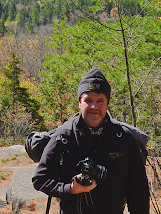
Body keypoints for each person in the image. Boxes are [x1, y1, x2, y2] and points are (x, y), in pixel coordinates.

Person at [32, 67, 149, 214]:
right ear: (79, 103)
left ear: (107, 104)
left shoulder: (124, 138)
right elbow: (40, 180)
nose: (94, 106)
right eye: (88, 100)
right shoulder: (64, 136)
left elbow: (139, 191)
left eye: (100, 101)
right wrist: (70, 189)